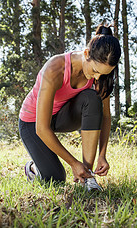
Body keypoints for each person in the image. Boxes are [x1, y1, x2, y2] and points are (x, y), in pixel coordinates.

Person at [19, 25, 121, 191]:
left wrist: (102, 155)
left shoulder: (101, 75)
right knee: (55, 178)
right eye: (95, 71)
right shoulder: (55, 68)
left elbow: (106, 116)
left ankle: (87, 177)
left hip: (62, 115)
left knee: (92, 98)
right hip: (33, 122)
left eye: (103, 74)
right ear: (87, 54)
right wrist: (73, 163)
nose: (97, 77)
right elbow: (42, 128)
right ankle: (33, 168)